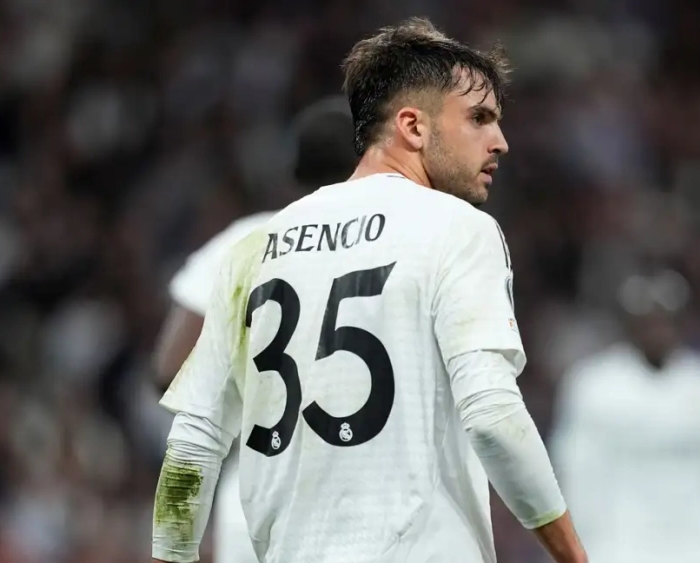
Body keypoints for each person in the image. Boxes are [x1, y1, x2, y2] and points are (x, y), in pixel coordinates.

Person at [150, 17, 587, 563]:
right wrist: (573, 555)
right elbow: (494, 417)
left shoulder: (252, 249)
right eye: (479, 118)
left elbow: (191, 448)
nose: (500, 141)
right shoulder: (455, 228)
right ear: (412, 126)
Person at [151, 95, 357, 563]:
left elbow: (168, 371)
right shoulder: (396, 251)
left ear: (293, 176)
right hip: (358, 504)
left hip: (254, 502)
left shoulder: (245, 243)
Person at [549, 269, 700, 563]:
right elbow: (574, 484)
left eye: (666, 318)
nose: (658, 328)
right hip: (618, 549)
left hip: (698, 550)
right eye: (648, 318)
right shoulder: (595, 387)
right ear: (629, 321)